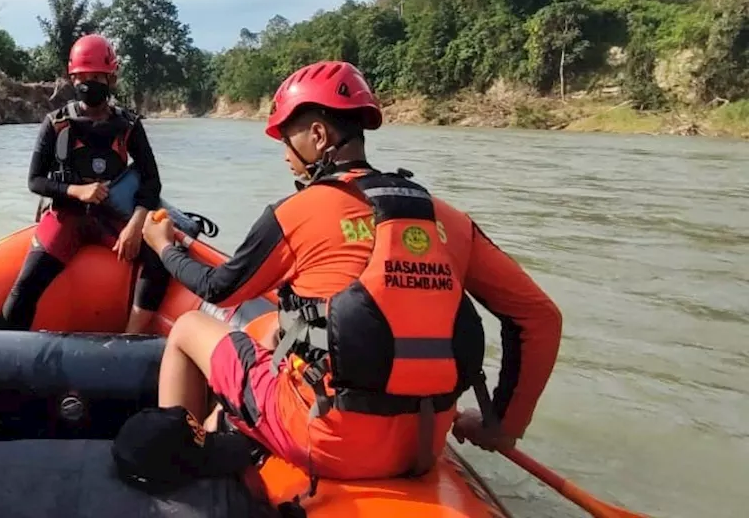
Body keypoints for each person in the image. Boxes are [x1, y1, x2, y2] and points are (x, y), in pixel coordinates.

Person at [141, 60, 563, 485]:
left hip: (327, 442)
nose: (286, 156)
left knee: (189, 327)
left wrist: (163, 247)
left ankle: (173, 473)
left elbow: (218, 289)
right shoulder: (443, 216)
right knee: (273, 327)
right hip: (424, 444)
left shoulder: (297, 213)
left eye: (287, 141)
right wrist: (502, 428)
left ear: (318, 136)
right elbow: (539, 317)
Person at [3, 33, 171, 334]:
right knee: (19, 297)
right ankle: (15, 358)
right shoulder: (56, 123)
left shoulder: (129, 125)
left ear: (111, 79)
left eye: (98, 77)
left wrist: (135, 225)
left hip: (114, 218)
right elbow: (35, 181)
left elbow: (151, 180)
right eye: (83, 76)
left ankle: (130, 340)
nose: (90, 83)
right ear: (72, 77)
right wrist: (77, 191)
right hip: (68, 216)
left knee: (160, 261)